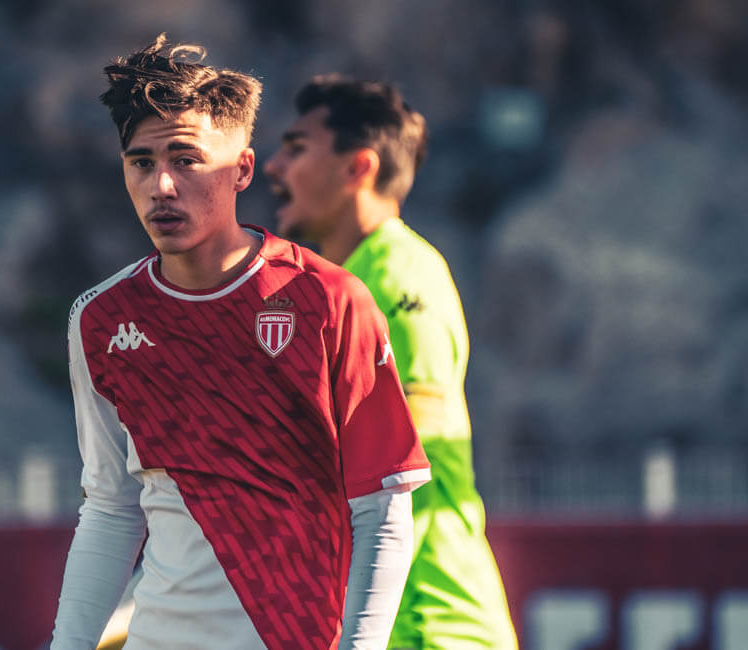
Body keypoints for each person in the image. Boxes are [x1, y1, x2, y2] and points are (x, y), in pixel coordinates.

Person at [50, 36, 431, 650]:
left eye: (187, 160)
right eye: (141, 162)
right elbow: (111, 509)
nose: (161, 185)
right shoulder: (100, 319)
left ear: (243, 170)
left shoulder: (330, 300)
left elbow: (382, 514)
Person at [264, 76, 518, 650]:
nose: (274, 167)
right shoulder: (343, 286)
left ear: (359, 167)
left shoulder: (400, 277)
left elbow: (408, 454)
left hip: (430, 622)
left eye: (296, 148)